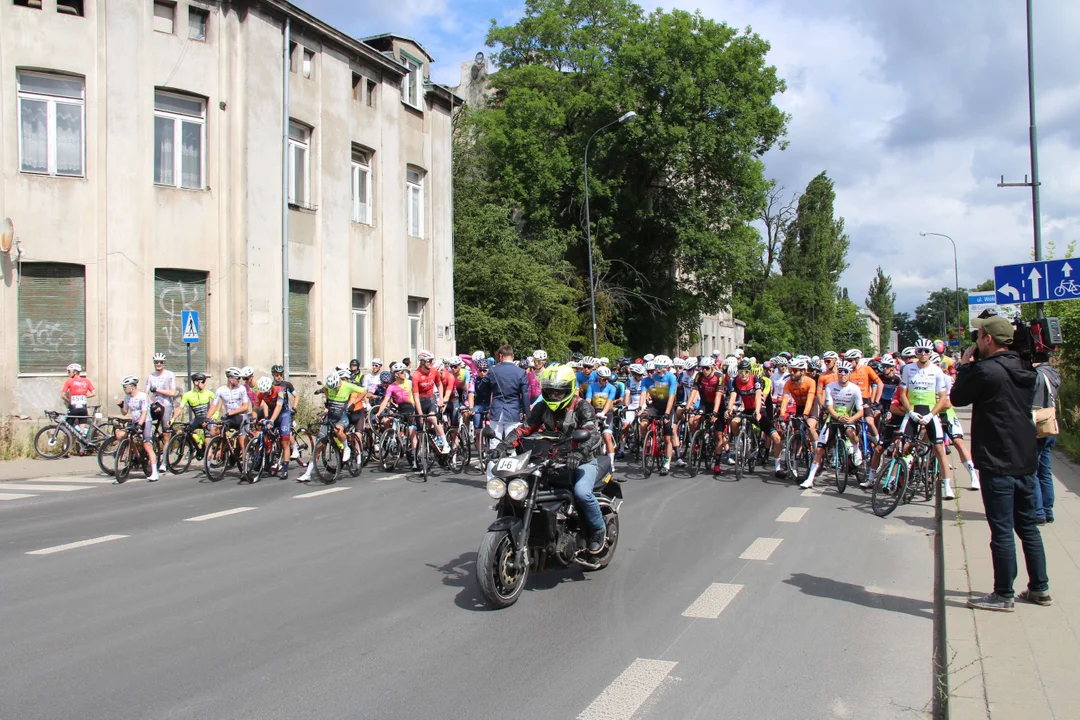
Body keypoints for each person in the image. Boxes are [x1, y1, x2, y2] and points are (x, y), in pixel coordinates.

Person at [951, 314, 1049, 611]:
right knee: (1028, 527)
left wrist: (966, 366)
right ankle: (1040, 588)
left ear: (988, 339)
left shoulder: (985, 371)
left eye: (979, 337)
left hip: (996, 459)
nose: (976, 342)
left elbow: (957, 398)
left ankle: (1003, 594)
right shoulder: (1025, 368)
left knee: (1002, 530)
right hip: (1025, 457)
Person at [499, 365, 608, 553]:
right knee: (519, 489)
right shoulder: (542, 407)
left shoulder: (582, 406)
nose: (554, 396)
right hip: (549, 459)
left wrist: (579, 453)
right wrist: (505, 443)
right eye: (549, 392)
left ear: (568, 389)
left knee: (582, 493)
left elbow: (592, 433)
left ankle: (598, 530)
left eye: (559, 393)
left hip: (581, 460)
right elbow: (525, 428)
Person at [800, 361, 863, 489]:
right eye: (840, 371)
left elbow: (861, 411)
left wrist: (851, 419)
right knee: (819, 450)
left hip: (848, 419)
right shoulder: (830, 386)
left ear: (849, 373)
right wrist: (838, 417)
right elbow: (829, 407)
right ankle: (810, 479)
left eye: (845, 371)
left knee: (850, 434)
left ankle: (856, 448)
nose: (842, 374)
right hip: (833, 419)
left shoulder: (855, 389)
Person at [1031, 351, 1061, 524]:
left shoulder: (1036, 375)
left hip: (1037, 425)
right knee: (1045, 471)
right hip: (1050, 423)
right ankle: (1048, 510)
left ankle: (1038, 512)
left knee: (1032, 471)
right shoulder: (1053, 373)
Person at [119, 375, 159, 481]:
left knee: (147, 446)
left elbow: (145, 412)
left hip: (145, 421)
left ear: (132, 386)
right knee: (121, 435)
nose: (124, 389)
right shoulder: (127, 397)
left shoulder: (142, 396)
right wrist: (121, 406)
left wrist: (140, 425)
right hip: (134, 421)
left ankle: (155, 472)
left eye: (125, 386)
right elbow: (124, 412)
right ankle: (129, 456)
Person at [488, 344, 529, 449]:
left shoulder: (493, 370)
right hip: (513, 411)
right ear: (513, 356)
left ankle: (493, 465)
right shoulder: (521, 372)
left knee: (494, 445)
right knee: (511, 444)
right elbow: (524, 394)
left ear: (500, 356)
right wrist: (526, 413)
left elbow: (483, 389)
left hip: (496, 411)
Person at [146, 352, 178, 472]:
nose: (158, 364)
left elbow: (172, 392)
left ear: (163, 363)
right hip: (155, 404)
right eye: (156, 362)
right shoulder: (150, 376)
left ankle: (164, 462)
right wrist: (151, 404)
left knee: (165, 434)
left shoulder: (170, 375)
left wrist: (157, 389)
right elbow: (146, 393)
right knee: (147, 427)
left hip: (166, 405)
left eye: (160, 362)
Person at [60, 363, 96, 433]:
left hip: (73, 407)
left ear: (75, 372)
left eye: (69, 371)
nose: (68, 373)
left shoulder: (69, 381)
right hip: (83, 407)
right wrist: (85, 396)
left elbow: (63, 395)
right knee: (81, 430)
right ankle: (82, 440)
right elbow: (94, 393)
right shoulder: (86, 381)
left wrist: (68, 401)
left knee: (67, 427)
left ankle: (66, 443)